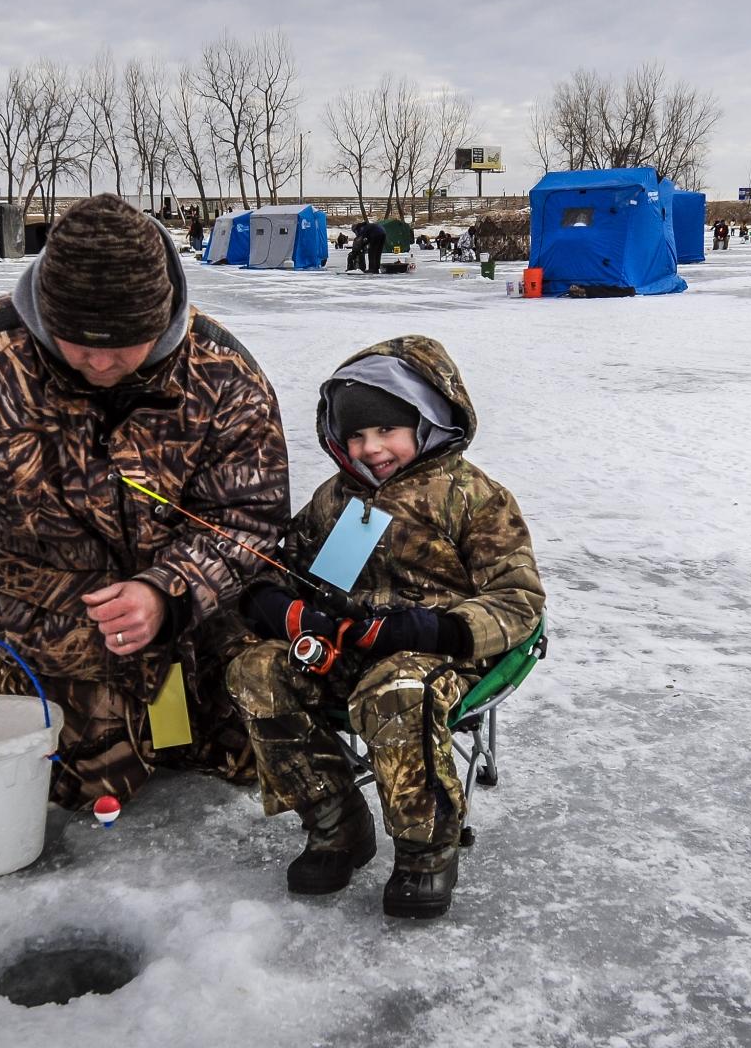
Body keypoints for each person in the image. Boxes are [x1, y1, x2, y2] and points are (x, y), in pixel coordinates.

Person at [0, 193, 291, 809]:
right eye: (78, 342)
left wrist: (166, 591)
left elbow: (250, 521)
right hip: (56, 635)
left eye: (125, 343)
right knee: (84, 785)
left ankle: (183, 717)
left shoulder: (220, 372)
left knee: (256, 751)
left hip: (193, 635)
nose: (101, 362)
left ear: (164, 318)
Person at [225, 336, 545, 919]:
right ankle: (336, 822)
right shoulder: (336, 499)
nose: (370, 448)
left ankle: (426, 850)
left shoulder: (476, 498)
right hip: (343, 648)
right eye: (356, 435)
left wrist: (430, 631)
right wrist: (279, 606)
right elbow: (284, 566)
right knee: (257, 670)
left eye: (386, 431)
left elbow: (518, 601)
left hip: (437, 657)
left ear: (427, 421)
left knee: (396, 689)